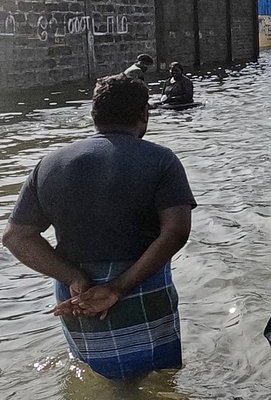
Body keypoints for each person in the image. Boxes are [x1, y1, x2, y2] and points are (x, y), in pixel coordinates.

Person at [2, 74, 196, 380]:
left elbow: (16, 236)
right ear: (143, 115)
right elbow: (176, 231)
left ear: (94, 115)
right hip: (142, 287)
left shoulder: (50, 163)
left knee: (93, 376)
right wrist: (118, 288)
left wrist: (73, 277)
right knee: (160, 381)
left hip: (78, 295)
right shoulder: (161, 161)